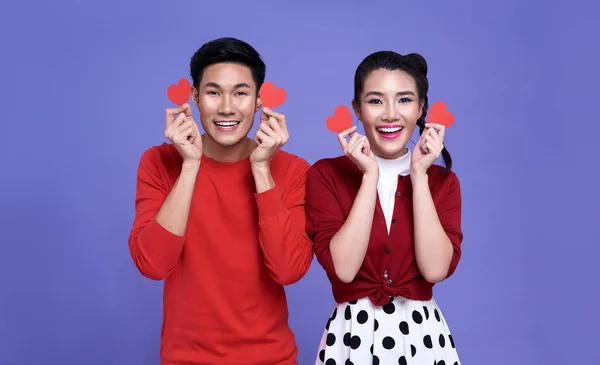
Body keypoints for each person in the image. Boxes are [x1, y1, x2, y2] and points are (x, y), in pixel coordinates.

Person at [127, 37, 313, 365]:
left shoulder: (293, 170)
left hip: (272, 358)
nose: (227, 107)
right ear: (196, 98)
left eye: (240, 93)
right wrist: (190, 165)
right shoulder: (158, 162)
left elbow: (289, 270)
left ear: (258, 100)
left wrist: (261, 168)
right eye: (213, 92)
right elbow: (152, 265)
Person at [306, 51, 463, 365]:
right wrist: (369, 177)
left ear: (421, 108)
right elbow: (344, 270)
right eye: (376, 101)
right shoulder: (325, 174)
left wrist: (418, 174)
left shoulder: (442, 181)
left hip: (422, 338)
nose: (390, 114)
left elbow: (434, 269)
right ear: (357, 109)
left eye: (404, 100)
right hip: (351, 337)